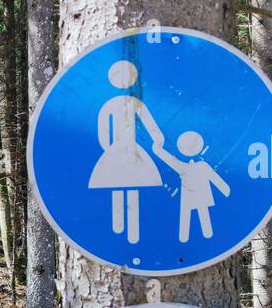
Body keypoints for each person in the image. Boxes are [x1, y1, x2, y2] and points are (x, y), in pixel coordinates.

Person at [87, 60, 166, 244]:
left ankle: (131, 231)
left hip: (130, 151)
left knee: (131, 186)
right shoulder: (114, 105)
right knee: (117, 186)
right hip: (121, 150)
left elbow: (149, 123)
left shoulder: (135, 103)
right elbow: (103, 131)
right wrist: (111, 149)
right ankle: (118, 229)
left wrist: (158, 139)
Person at [155, 130, 230, 242]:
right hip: (192, 195)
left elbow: (215, 178)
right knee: (190, 215)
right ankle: (186, 238)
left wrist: (225, 189)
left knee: (197, 214)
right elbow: (169, 159)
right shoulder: (195, 166)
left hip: (195, 195)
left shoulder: (190, 166)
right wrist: (158, 150)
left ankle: (192, 237)